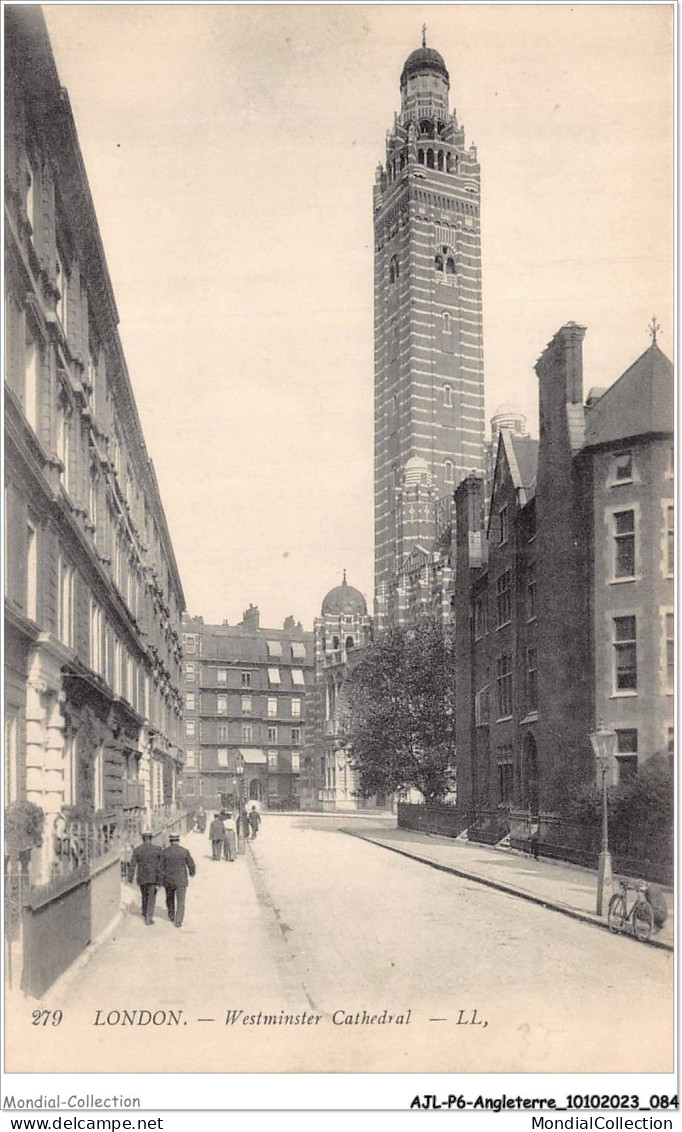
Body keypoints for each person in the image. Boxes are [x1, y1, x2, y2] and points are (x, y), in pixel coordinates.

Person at [127, 831, 162, 925]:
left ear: (143, 839)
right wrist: (160, 880)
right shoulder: (157, 849)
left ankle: (144, 912)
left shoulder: (137, 850)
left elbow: (132, 865)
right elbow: (160, 866)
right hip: (153, 877)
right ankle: (149, 917)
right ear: (151, 838)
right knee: (151, 897)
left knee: (144, 895)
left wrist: (130, 878)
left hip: (141, 877)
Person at [161, 833, 196, 928]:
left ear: (170, 841)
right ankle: (178, 920)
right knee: (181, 900)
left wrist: (160, 879)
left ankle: (171, 914)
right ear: (178, 840)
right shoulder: (184, 851)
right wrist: (192, 873)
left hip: (168, 879)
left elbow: (160, 867)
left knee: (169, 898)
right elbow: (191, 864)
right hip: (181, 880)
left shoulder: (164, 852)